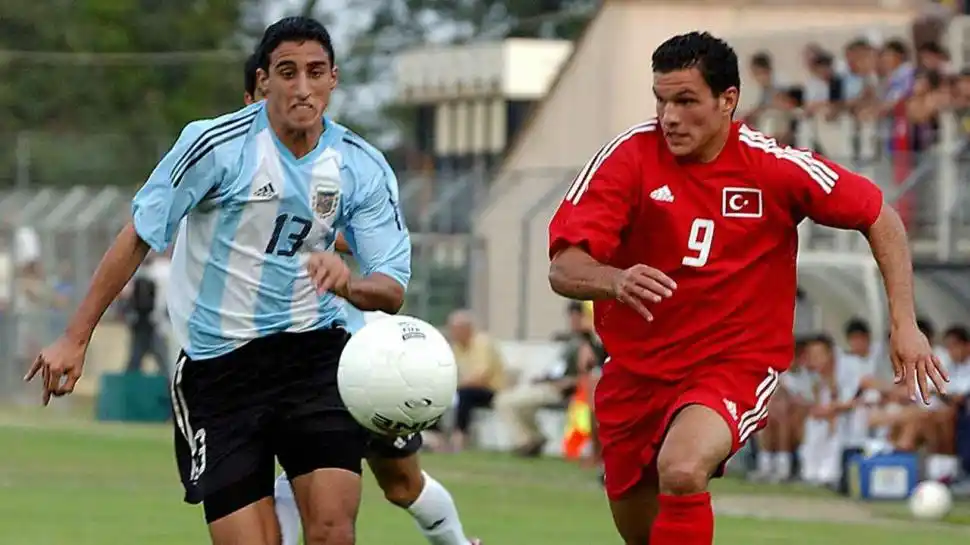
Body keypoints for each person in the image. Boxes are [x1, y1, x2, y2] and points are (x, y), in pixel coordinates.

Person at [546, 31, 948, 545]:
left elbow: (880, 216)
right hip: (636, 371)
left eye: (686, 101)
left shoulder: (772, 166)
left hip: (734, 363)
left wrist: (904, 323)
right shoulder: (628, 158)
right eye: (661, 101)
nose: (669, 117)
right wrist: (614, 279)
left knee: (683, 467)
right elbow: (564, 267)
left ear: (727, 99)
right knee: (643, 532)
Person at [27, 17, 411, 545]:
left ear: (333, 79)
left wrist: (349, 286)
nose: (302, 87)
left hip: (314, 357)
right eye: (288, 72)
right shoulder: (215, 145)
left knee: (332, 530)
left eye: (315, 72)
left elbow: (391, 288)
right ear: (264, 81)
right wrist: (76, 337)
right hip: (219, 368)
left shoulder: (361, 166)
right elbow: (138, 235)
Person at [242, 51, 481, 545]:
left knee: (401, 483)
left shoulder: (330, 168)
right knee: (300, 479)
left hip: (351, 353)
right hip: (265, 361)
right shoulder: (226, 169)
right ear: (254, 97)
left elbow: (367, 245)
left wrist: (333, 254)